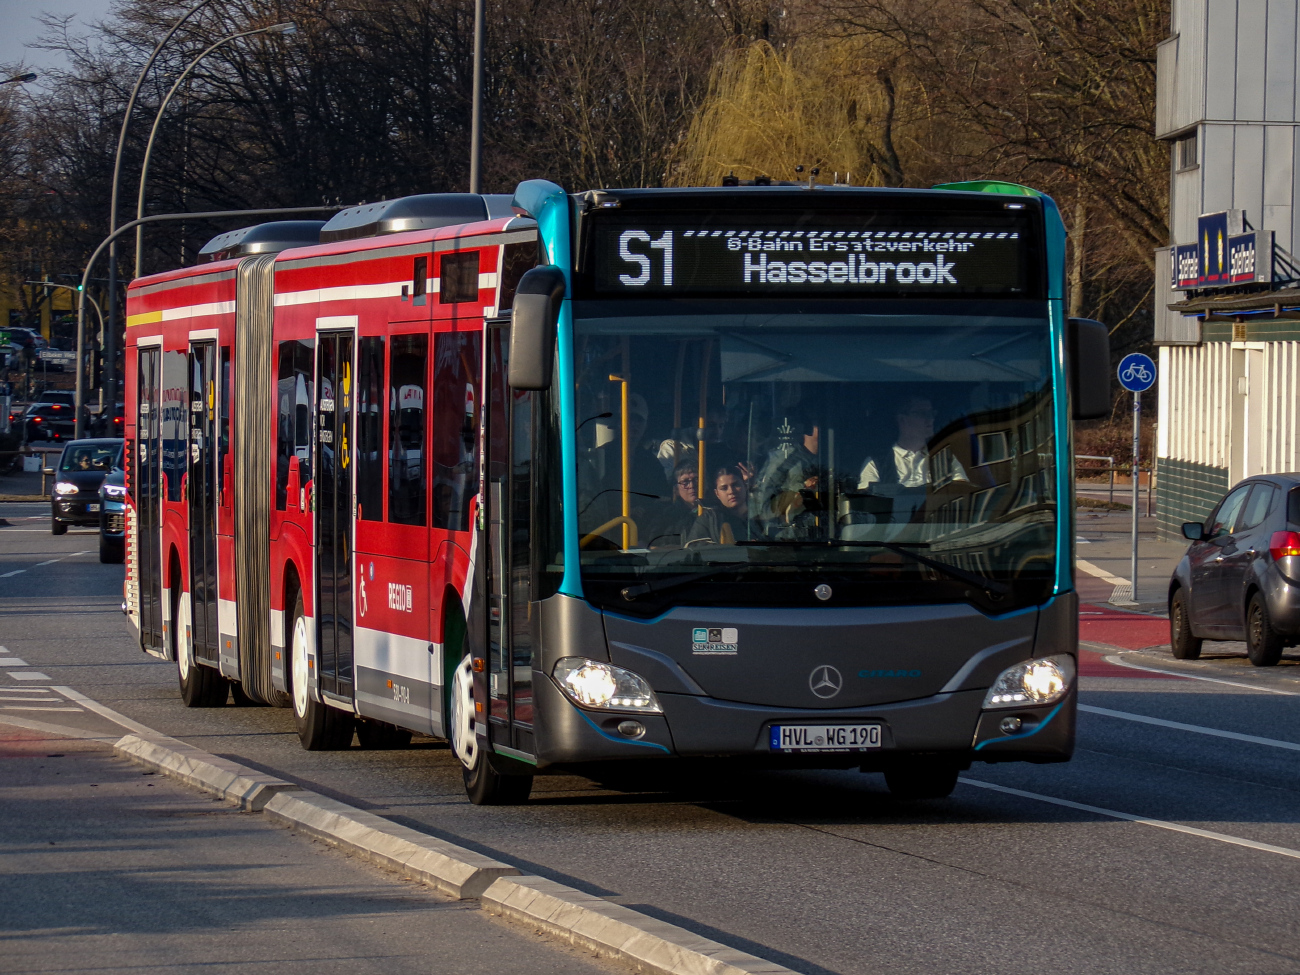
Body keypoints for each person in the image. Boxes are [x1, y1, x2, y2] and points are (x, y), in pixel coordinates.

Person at [851, 395, 967, 530]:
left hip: (937, 540)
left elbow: (962, 497)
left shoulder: (946, 458)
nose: (930, 419)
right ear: (902, 419)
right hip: (891, 544)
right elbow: (865, 512)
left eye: (931, 413)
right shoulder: (875, 463)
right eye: (922, 414)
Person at [687, 465, 758, 545]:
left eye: (736, 485)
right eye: (724, 488)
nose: (731, 491)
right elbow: (694, 549)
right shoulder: (709, 519)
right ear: (717, 494)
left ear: (745, 486)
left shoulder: (762, 515)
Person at [643, 460, 703, 548]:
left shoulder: (713, 512)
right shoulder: (665, 516)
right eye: (685, 482)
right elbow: (649, 543)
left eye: (696, 479)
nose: (692, 485)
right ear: (676, 490)